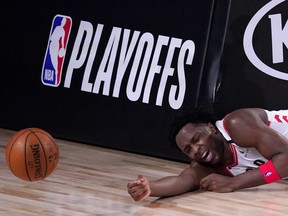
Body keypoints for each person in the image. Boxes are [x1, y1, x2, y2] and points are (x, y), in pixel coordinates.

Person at [127, 107, 288, 201]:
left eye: (197, 139)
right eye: (188, 150)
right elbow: (184, 180)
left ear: (211, 128)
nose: (196, 150)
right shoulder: (206, 165)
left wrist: (234, 183)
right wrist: (150, 188)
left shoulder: (236, 125)